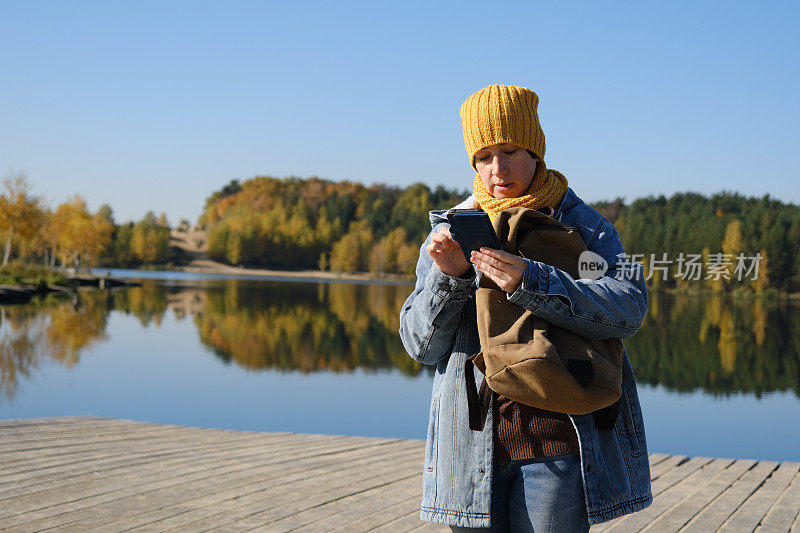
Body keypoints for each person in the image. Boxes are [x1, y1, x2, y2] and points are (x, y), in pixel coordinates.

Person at [399, 84, 652, 532]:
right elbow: (420, 345)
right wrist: (452, 280)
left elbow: (629, 307)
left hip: (559, 445)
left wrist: (530, 281)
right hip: (469, 452)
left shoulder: (585, 227)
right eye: (483, 156)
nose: (497, 169)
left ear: (535, 151)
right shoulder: (450, 230)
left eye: (511, 150)